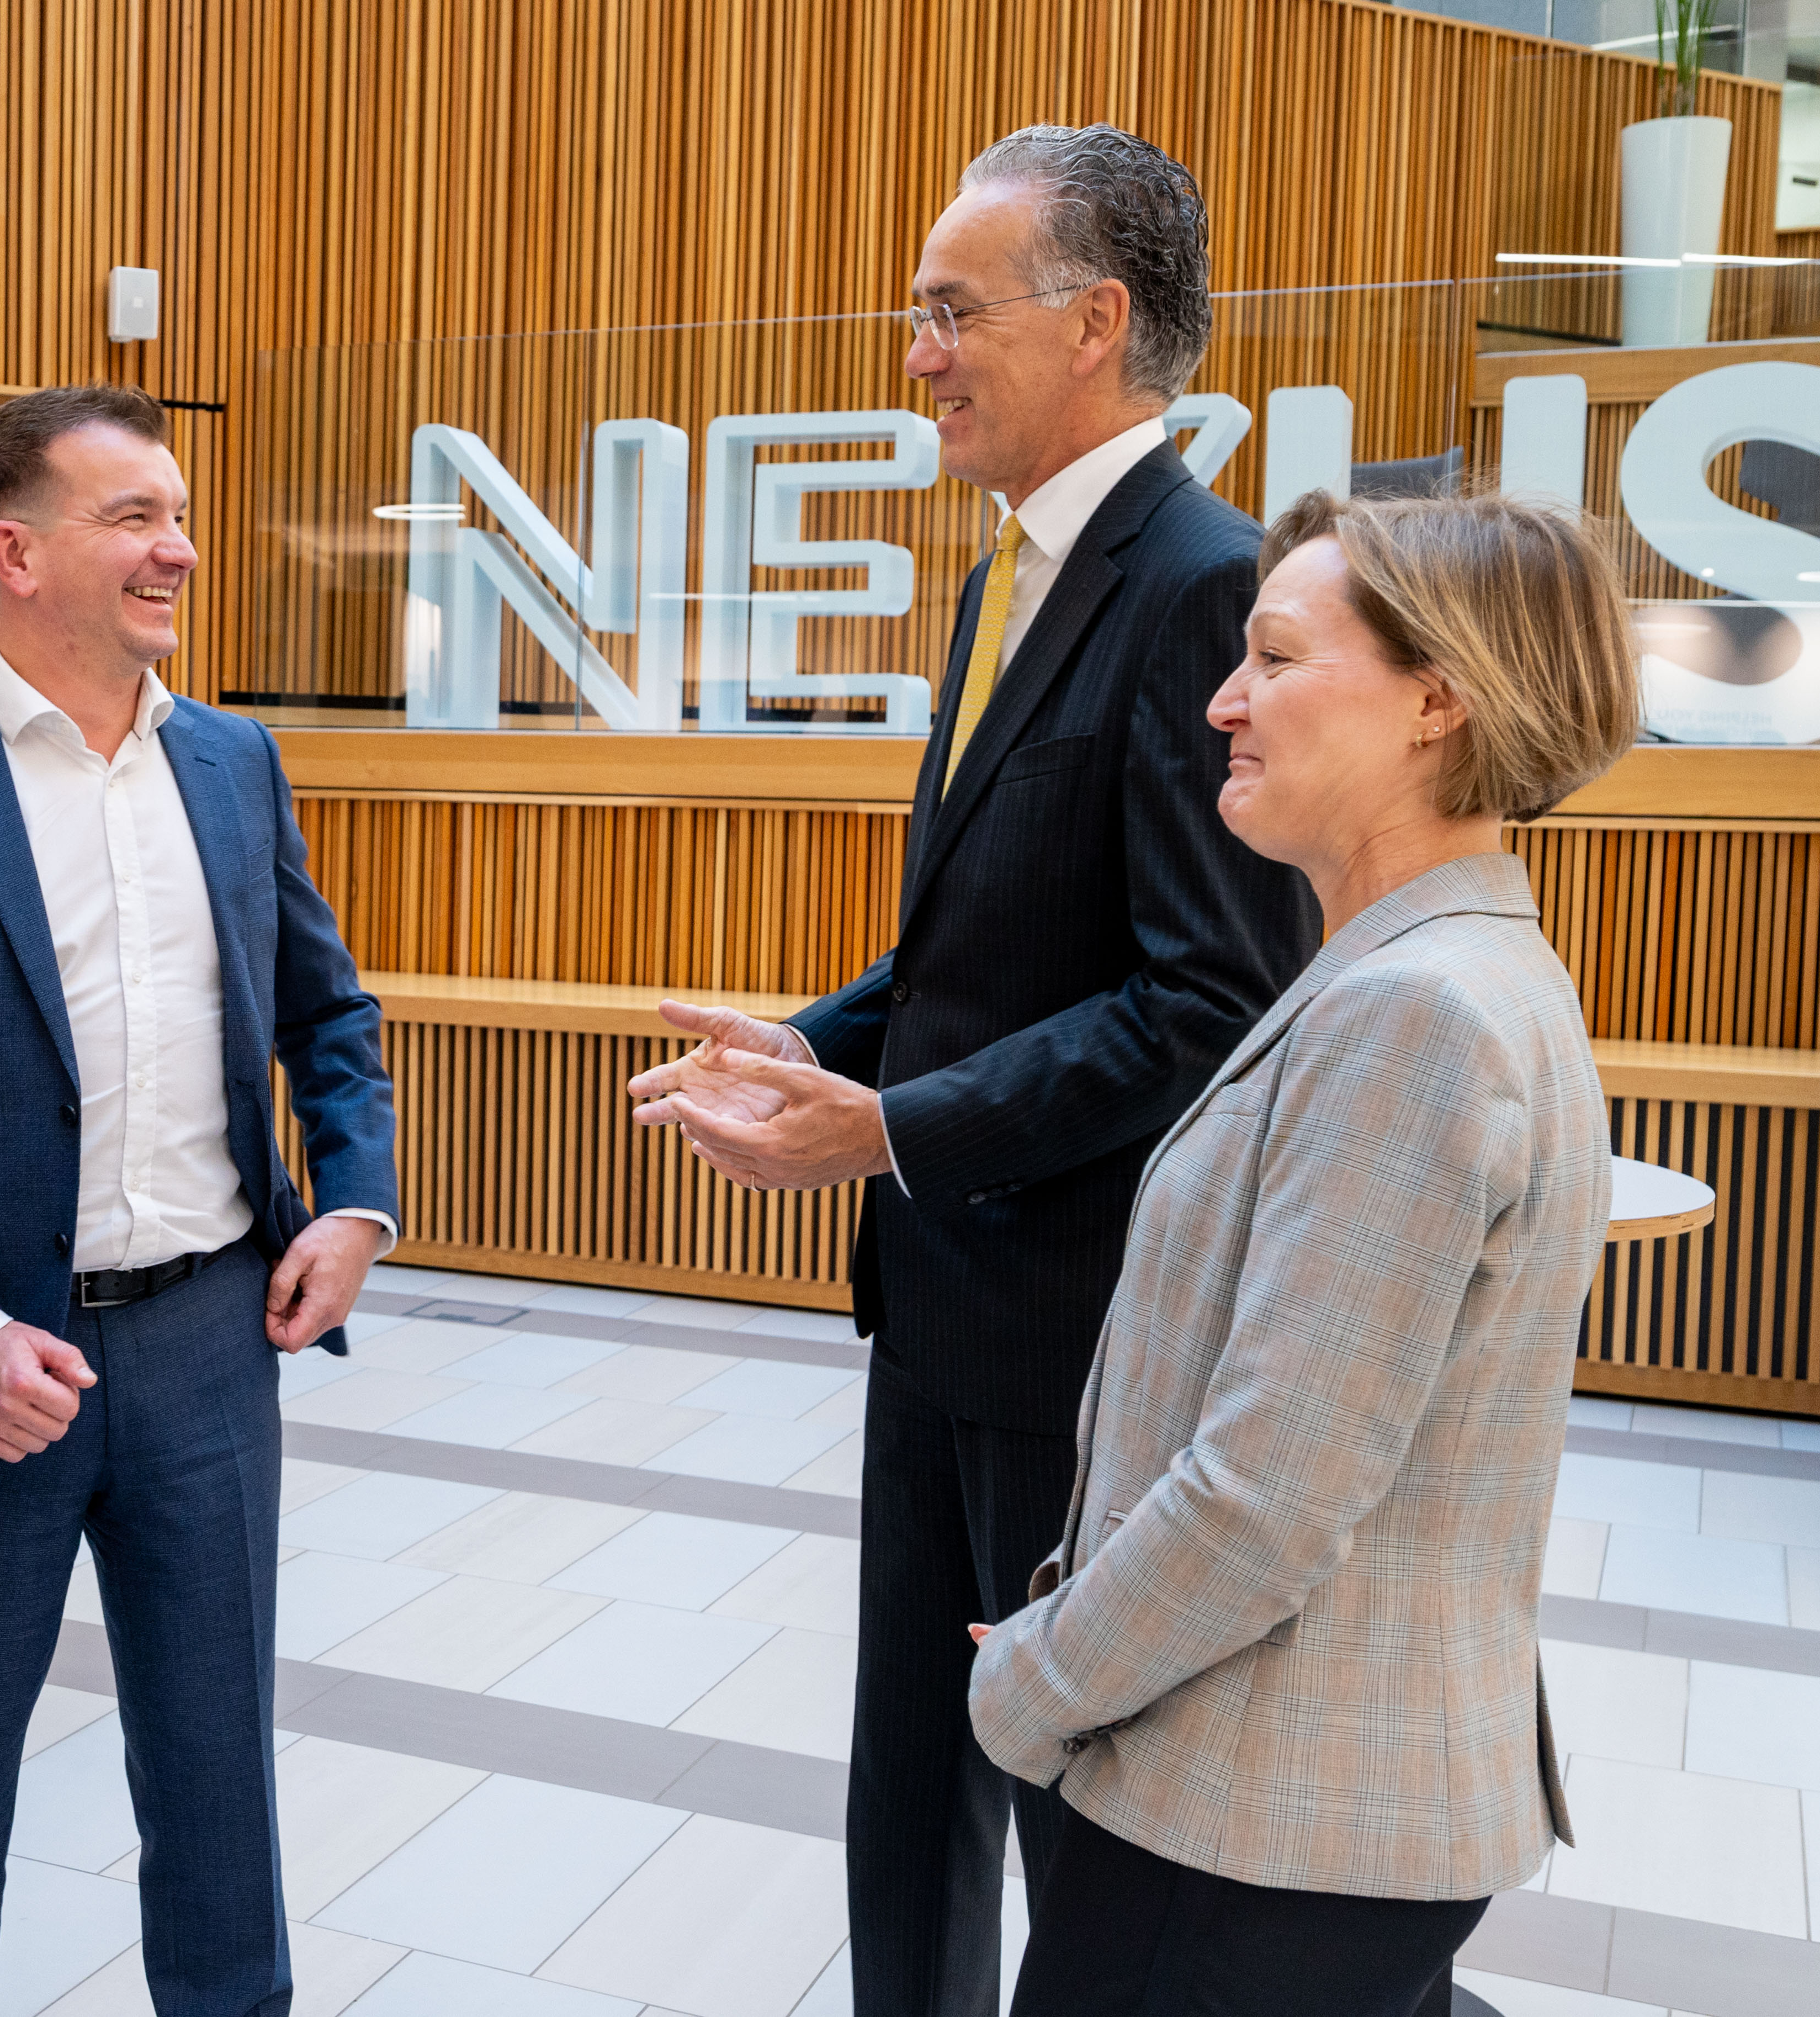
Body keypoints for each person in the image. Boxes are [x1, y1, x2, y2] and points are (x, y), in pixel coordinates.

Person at [627, 125, 1320, 2014]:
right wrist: (823, 1040)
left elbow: (1204, 994)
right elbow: (991, 940)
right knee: (910, 1780)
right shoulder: (1008, 568)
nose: (917, 352)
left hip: (1076, 1333)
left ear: (1095, 322)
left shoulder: (1201, 586)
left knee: (1071, 1813)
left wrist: (888, 1127)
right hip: (941, 1301)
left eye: (951, 311)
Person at [0, 384, 398, 2017]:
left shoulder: (235, 763)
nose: (176, 548)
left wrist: (352, 1200)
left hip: (204, 1341)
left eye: (177, 514)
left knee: (213, 1780)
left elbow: (324, 1014)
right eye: (134, 517)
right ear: (12, 549)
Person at [967, 491, 1641, 2015]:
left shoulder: (1417, 1013)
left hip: (1259, 1825)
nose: (1224, 698)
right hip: (1291, 1804)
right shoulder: (1429, 971)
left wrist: (1032, 1678)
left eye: (1273, 656)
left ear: (1435, 701)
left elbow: (1265, 1495)